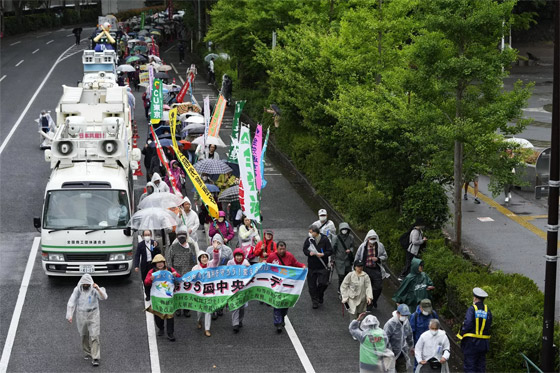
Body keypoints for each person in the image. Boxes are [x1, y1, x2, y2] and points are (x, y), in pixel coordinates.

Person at [66, 274, 108, 367]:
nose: (85, 285)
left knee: (95, 335)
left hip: (93, 314)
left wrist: (98, 289)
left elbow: (104, 297)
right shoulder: (77, 290)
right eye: (84, 284)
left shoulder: (94, 289)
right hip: (81, 314)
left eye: (87, 284)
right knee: (84, 334)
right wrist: (70, 315)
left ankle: (95, 357)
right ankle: (87, 352)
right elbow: (71, 301)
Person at [266, 241, 305, 332]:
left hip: (287, 286)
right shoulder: (272, 256)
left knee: (285, 304)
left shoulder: (290, 256)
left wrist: (302, 266)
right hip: (276, 285)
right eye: (280, 249)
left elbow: (296, 264)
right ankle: (278, 323)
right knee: (277, 304)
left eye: (283, 249)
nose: (282, 251)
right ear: (277, 249)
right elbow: (266, 266)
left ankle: (282, 317)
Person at [144, 254, 181, 342]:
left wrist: (176, 275)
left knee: (170, 315)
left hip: (168, 298)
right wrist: (151, 279)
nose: (160, 264)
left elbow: (179, 278)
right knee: (158, 315)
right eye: (158, 263)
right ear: (155, 264)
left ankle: (170, 333)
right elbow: (146, 283)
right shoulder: (151, 272)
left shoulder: (170, 269)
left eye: (161, 262)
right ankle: (161, 328)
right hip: (157, 298)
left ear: (164, 263)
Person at [457, 287, 492, 373]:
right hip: (483, 344)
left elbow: (467, 323)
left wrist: (461, 334)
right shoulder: (487, 310)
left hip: (471, 343)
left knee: (470, 366)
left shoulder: (472, 309)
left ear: (475, 298)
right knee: (480, 367)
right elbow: (489, 324)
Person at [167, 225, 199, 317]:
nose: (182, 238)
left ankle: (186, 309)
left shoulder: (191, 245)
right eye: (179, 236)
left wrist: (194, 271)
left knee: (187, 291)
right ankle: (177, 308)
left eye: (183, 236)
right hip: (176, 272)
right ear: (177, 237)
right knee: (177, 291)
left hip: (188, 272)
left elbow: (195, 258)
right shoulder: (173, 247)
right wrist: (170, 271)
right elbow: (169, 260)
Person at [354, 230, 388, 309]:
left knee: (378, 287)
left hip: (375, 269)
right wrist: (355, 268)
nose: (372, 240)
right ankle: (368, 303)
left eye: (374, 238)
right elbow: (357, 257)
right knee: (365, 287)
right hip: (365, 269)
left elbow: (385, 256)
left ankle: (374, 300)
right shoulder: (363, 246)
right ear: (368, 238)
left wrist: (378, 259)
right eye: (371, 238)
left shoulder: (380, 246)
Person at [303, 224, 333, 309]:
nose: (309, 233)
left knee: (323, 283)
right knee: (311, 285)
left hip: (322, 266)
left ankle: (320, 294)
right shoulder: (309, 240)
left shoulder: (325, 239)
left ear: (315, 232)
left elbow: (330, 251)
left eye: (311, 232)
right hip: (312, 266)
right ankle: (315, 301)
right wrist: (309, 253)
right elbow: (304, 249)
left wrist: (323, 254)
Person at [191, 250, 220, 336]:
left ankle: (207, 329)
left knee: (208, 310)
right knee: (200, 310)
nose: (204, 258)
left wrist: (215, 250)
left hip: (209, 291)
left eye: (206, 257)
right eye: (202, 257)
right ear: (199, 259)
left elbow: (216, 259)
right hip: (199, 292)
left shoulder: (211, 265)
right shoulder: (195, 268)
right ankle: (199, 320)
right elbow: (192, 279)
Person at [206, 234, 233, 319]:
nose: (216, 243)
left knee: (221, 291)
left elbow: (231, 261)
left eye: (218, 242)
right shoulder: (209, 249)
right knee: (214, 291)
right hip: (213, 274)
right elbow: (206, 260)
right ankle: (214, 310)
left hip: (224, 274)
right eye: (214, 241)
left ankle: (220, 308)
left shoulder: (227, 250)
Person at [384, 304, 414, 373]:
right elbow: (385, 340)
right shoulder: (390, 324)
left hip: (402, 353)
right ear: (398, 313)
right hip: (391, 354)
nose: (404, 317)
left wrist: (411, 346)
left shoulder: (406, 322)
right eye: (403, 315)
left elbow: (409, 335)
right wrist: (391, 356)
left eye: (406, 315)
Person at [227, 248, 250, 333]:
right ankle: (235, 324)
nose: (239, 258)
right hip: (233, 287)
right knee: (235, 306)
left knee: (242, 306)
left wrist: (248, 268)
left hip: (243, 288)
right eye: (237, 256)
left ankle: (240, 320)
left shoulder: (246, 263)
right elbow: (226, 273)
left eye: (240, 256)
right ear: (234, 256)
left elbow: (250, 274)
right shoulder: (230, 262)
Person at [133, 230, 161, 301]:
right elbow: (137, 255)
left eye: (148, 235)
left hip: (153, 265)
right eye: (145, 235)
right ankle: (148, 294)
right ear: (142, 236)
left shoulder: (154, 243)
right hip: (144, 265)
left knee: (154, 279)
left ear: (151, 235)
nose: (147, 236)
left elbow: (159, 253)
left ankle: (155, 294)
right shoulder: (140, 244)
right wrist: (136, 266)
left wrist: (156, 246)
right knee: (145, 280)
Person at [332, 222, 354, 291]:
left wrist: (350, 250)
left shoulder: (351, 237)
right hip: (339, 260)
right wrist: (332, 259)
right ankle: (340, 289)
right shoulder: (336, 238)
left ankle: (345, 289)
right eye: (343, 229)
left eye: (346, 229)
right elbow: (333, 249)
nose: (344, 231)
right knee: (341, 275)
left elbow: (352, 247)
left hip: (347, 259)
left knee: (347, 275)